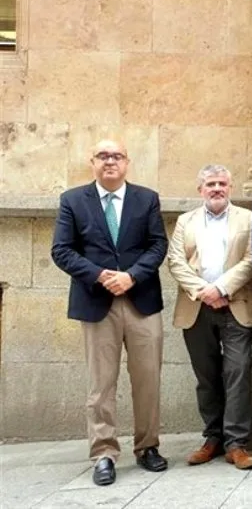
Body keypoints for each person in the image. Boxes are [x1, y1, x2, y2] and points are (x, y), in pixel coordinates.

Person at [51, 140, 169, 486]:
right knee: (100, 385)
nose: (110, 161)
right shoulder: (73, 200)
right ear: (92, 162)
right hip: (96, 301)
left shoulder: (146, 198)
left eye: (116, 156)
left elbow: (157, 244)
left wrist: (131, 275)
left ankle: (148, 446)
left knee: (147, 379)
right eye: (103, 156)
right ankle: (103, 452)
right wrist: (101, 275)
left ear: (127, 163)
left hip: (141, 300)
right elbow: (62, 250)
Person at [166, 165, 252, 469]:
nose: (216, 188)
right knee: (206, 376)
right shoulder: (185, 221)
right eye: (210, 184)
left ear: (230, 187)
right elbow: (175, 261)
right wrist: (204, 291)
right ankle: (213, 438)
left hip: (236, 304)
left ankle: (236, 443)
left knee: (238, 372)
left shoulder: (248, 218)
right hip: (196, 307)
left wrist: (221, 287)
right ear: (200, 189)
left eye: (222, 183)